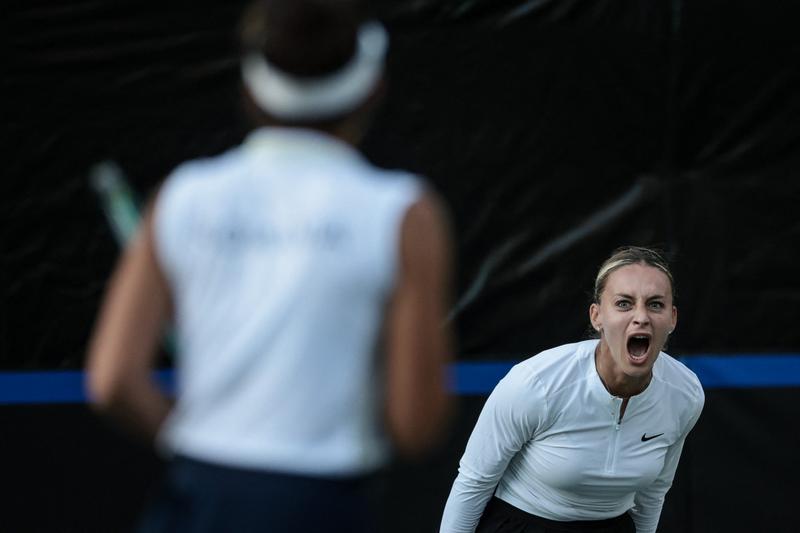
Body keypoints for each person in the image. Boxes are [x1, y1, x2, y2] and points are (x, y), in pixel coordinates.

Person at [86, 1, 454, 531]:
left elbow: (113, 381)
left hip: (196, 498)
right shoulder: (405, 213)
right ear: (373, 87)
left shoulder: (182, 196)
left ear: (250, 86)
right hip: (324, 504)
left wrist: (199, 445)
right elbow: (416, 424)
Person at [440, 246, 704, 533]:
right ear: (597, 316)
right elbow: (474, 482)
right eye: (624, 304)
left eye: (655, 304)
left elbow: (654, 492)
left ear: (672, 319)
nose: (641, 316)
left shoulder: (685, 394)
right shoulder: (536, 383)